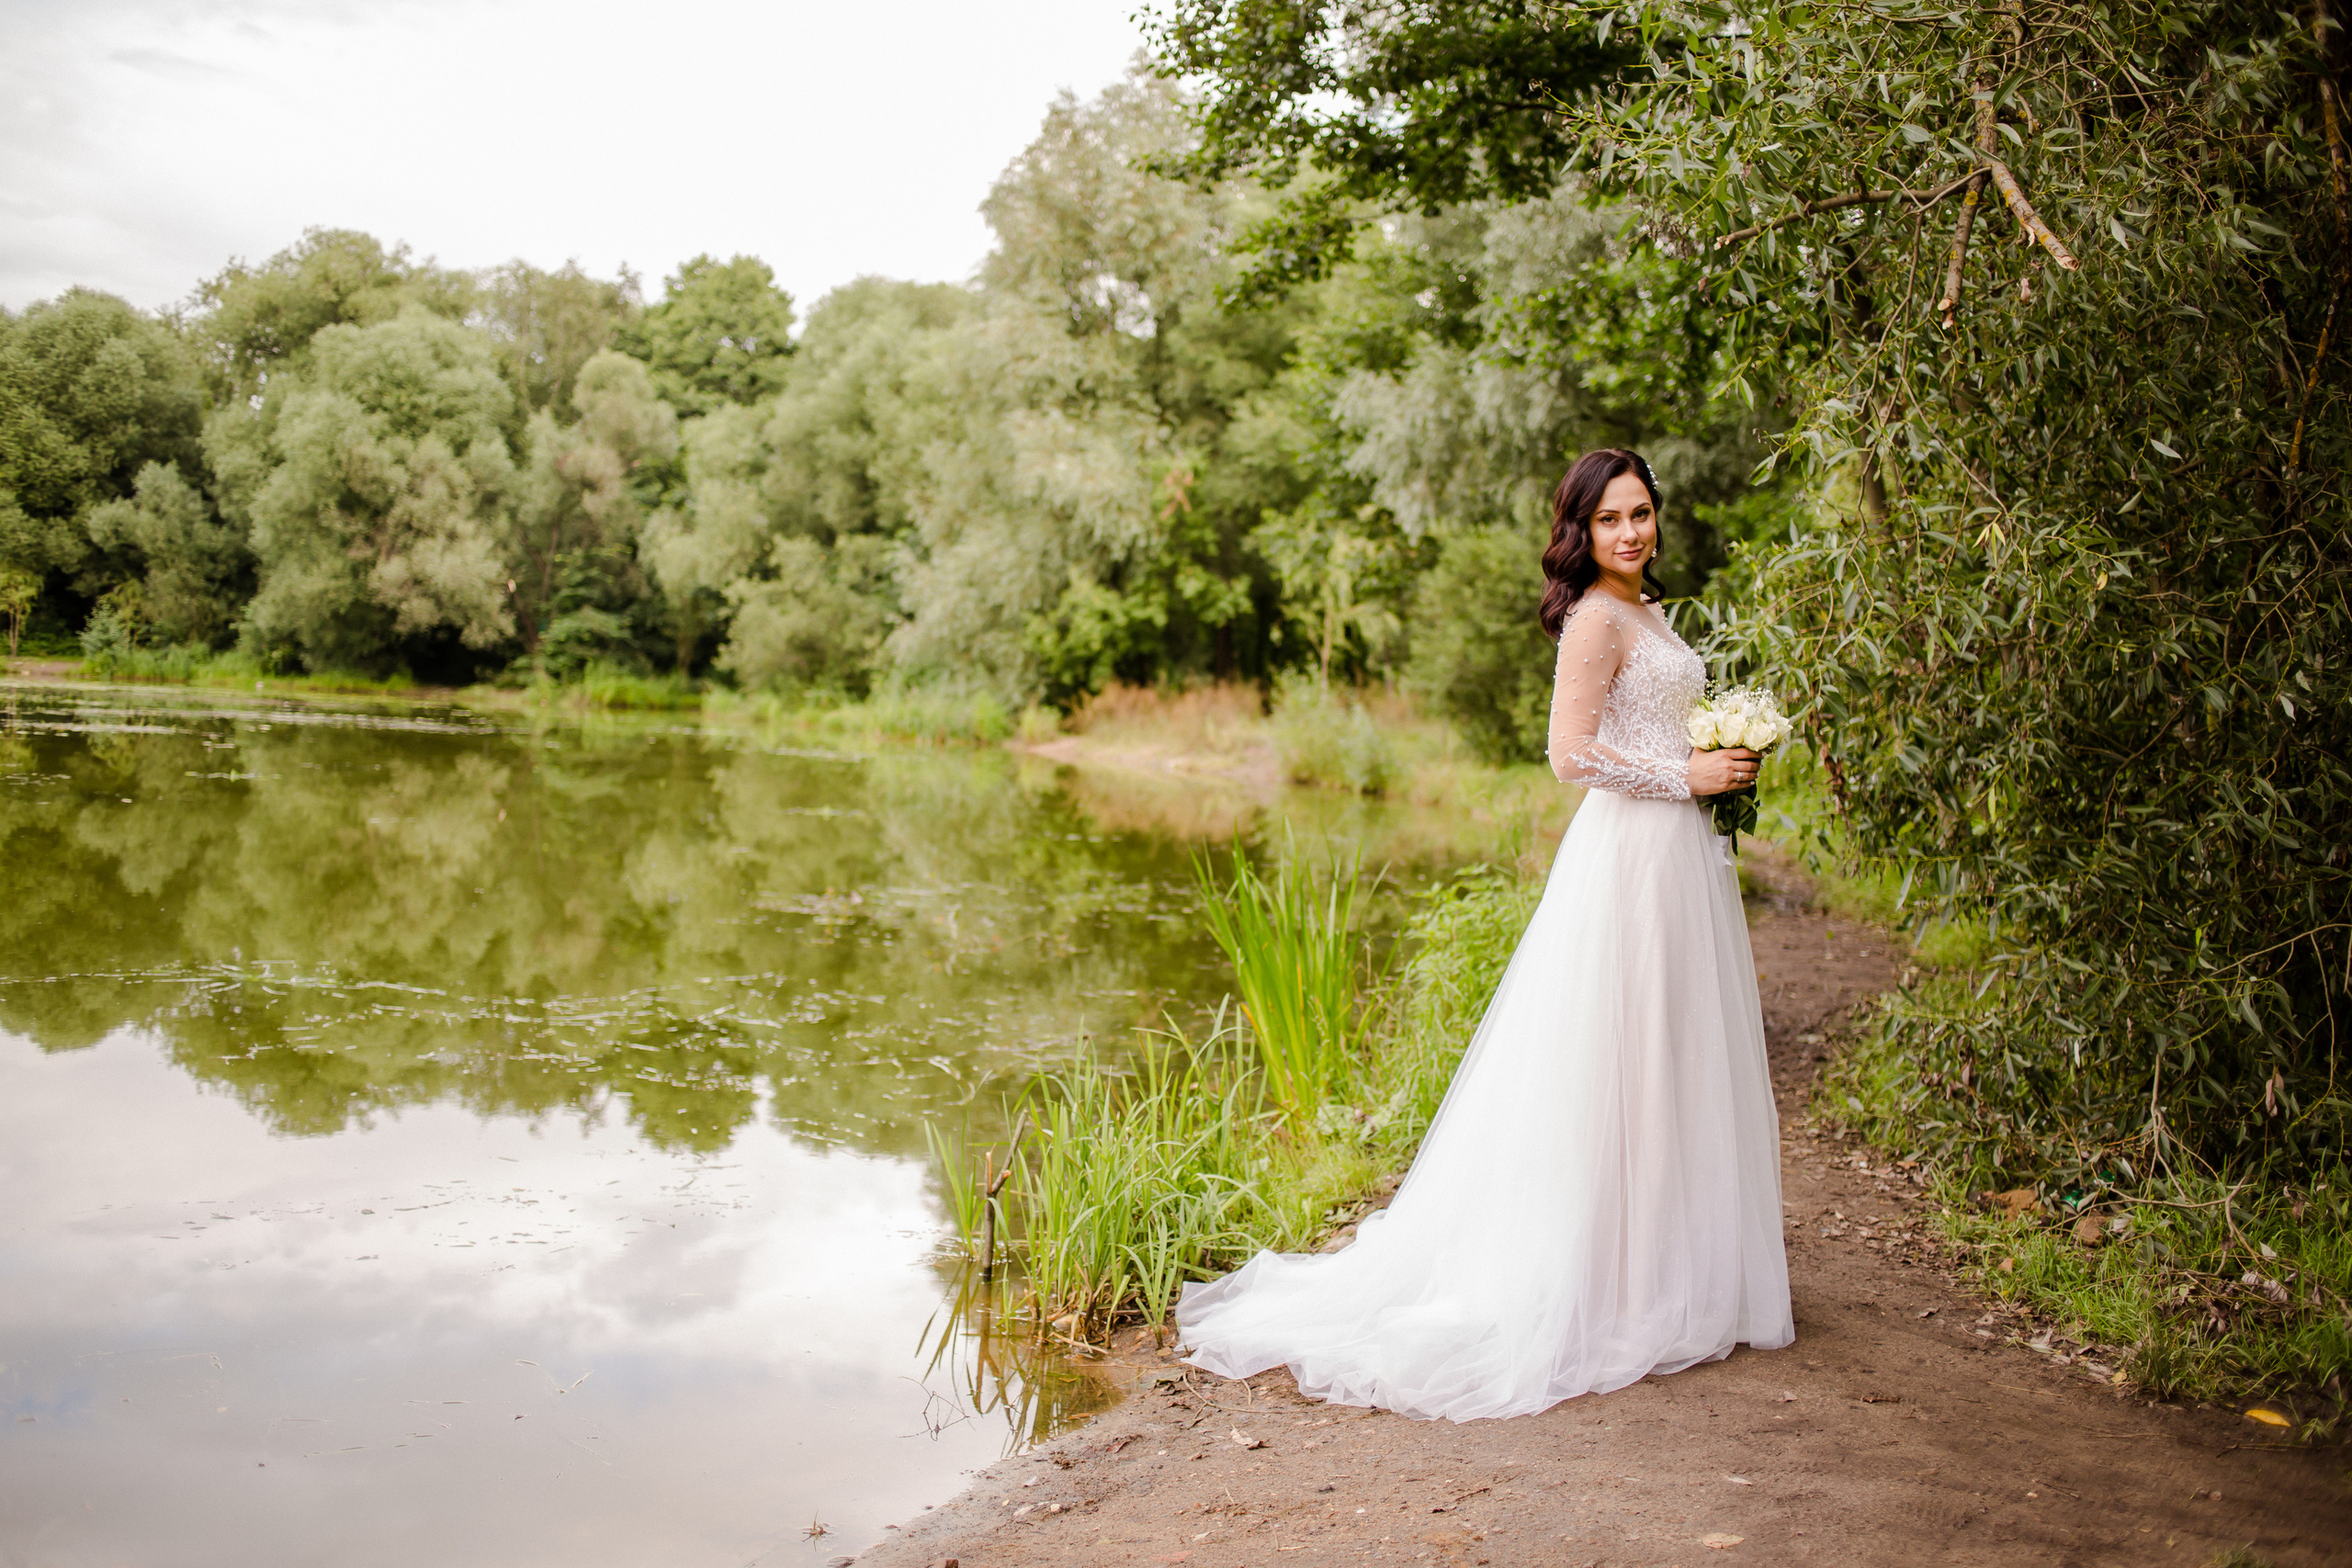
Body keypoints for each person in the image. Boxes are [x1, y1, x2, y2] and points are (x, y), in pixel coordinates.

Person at [1176, 448, 1792, 1421]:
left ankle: (1671, 1271)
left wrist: (1714, 758)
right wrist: (1685, 777)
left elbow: (1651, 729)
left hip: (1678, 860)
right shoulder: (1594, 619)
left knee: (1675, 1051)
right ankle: (1609, 1282)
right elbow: (1568, 755)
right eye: (1611, 521)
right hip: (1628, 859)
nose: (1631, 532)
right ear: (1581, 534)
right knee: (1617, 1058)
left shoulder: (1652, 612)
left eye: (1641, 514)